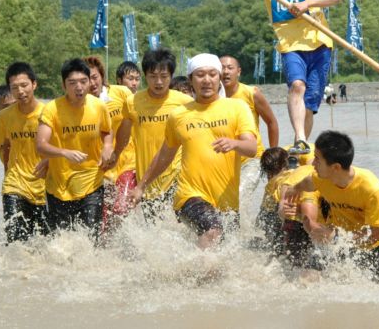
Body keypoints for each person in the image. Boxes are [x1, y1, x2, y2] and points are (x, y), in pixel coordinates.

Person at [183, 0, 342, 154]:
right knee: (297, 86)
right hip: (290, 46)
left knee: (310, 103)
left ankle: (303, 143)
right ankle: (299, 137)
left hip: (319, 43)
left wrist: (308, 3)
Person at [128, 54, 258, 249]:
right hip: (189, 195)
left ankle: (187, 271)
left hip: (227, 199)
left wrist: (234, 143)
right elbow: (165, 155)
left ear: (219, 77)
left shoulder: (237, 107)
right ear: (190, 79)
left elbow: (252, 148)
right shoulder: (179, 115)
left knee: (227, 251)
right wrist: (141, 186)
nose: (206, 80)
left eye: (212, 74)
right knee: (213, 231)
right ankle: (198, 278)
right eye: (200, 75)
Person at [284, 131, 379, 285]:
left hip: (378, 242)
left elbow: (375, 235)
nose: (312, 163)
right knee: (304, 281)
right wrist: (294, 189)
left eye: (317, 159)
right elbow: (307, 183)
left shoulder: (371, 188)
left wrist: (337, 239)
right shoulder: (321, 178)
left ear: (335, 167)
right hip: (338, 239)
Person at [36, 58, 114, 242]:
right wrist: (64, 152)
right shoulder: (51, 110)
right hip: (59, 187)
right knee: (62, 244)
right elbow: (41, 145)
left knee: (91, 240)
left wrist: (108, 147)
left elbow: (107, 130)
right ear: (64, 85)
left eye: (83, 82)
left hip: (92, 183)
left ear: (90, 82)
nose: (79, 87)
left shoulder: (98, 106)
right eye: (72, 83)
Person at [114, 49, 194, 220]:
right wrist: (114, 155)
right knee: (156, 232)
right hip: (147, 180)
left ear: (171, 76)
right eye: (153, 76)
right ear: (145, 76)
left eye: (164, 76)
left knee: (179, 227)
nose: (159, 82)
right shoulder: (132, 102)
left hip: (178, 176)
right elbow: (123, 136)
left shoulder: (184, 102)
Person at [0, 63, 48, 243]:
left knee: (47, 245)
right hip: (15, 186)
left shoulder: (49, 113)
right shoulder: (2, 119)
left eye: (24, 85)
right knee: (16, 243)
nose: (20, 91)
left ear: (34, 84)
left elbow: (64, 146)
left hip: (45, 188)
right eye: (14, 88)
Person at [83, 56, 135, 235]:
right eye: (86, 79)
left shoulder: (121, 93)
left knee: (120, 207)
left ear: (101, 76)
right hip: (100, 167)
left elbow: (138, 120)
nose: (91, 83)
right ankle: (109, 250)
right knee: (102, 219)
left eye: (94, 77)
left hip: (127, 161)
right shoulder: (81, 105)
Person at [220, 55, 280, 203]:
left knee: (239, 198)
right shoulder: (211, 97)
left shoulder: (251, 93)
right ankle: (243, 226)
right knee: (223, 202)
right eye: (222, 68)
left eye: (230, 68)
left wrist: (273, 158)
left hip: (252, 158)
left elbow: (271, 122)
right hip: (224, 161)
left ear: (238, 72)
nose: (226, 72)